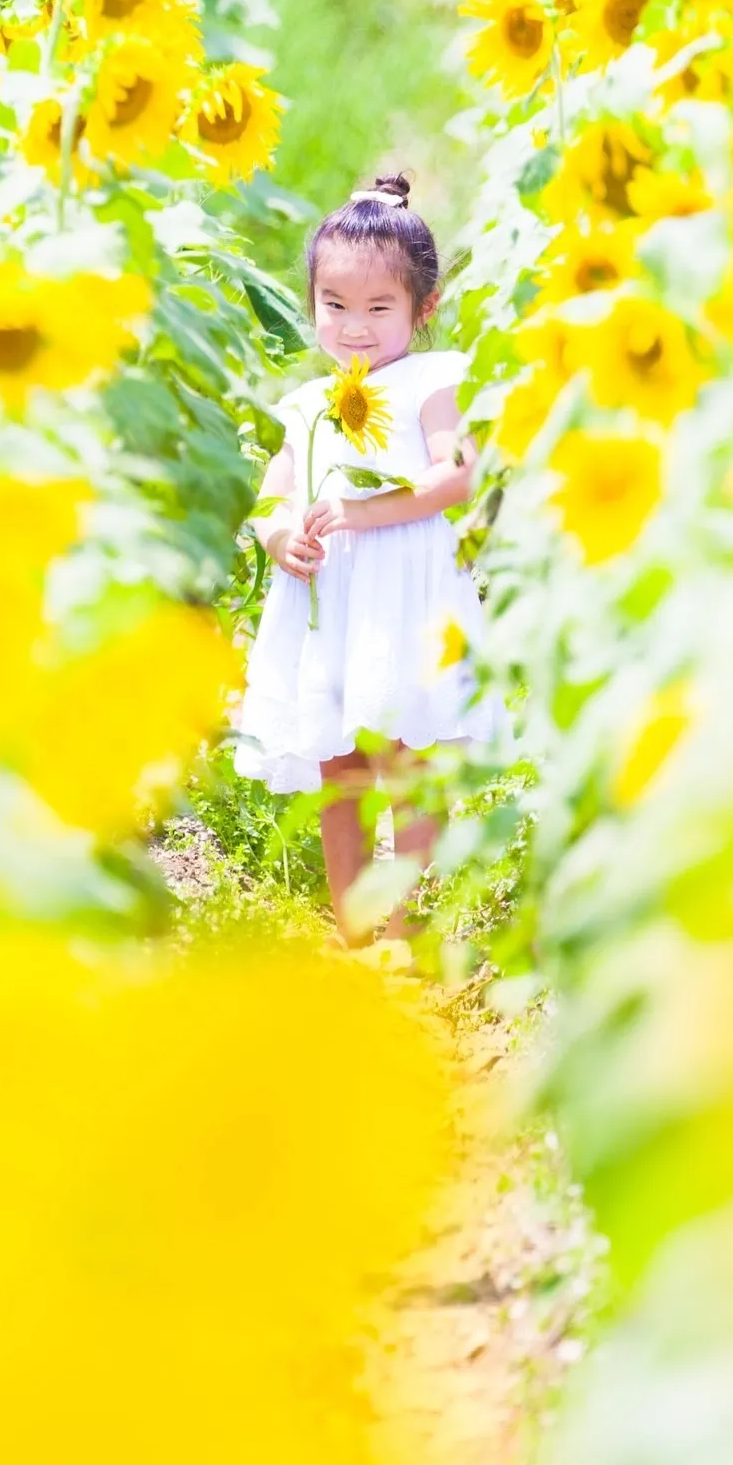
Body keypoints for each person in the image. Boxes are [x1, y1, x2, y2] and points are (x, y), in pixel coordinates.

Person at [235, 172, 498, 945]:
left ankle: (409, 931)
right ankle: (352, 922)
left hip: (406, 591)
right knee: (338, 761)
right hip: (334, 598)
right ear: (313, 302)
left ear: (423, 310)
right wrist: (283, 536)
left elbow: (458, 474)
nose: (354, 328)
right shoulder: (310, 404)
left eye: (379, 308)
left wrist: (359, 512)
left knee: (410, 755)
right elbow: (270, 496)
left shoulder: (429, 381)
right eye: (335, 307)